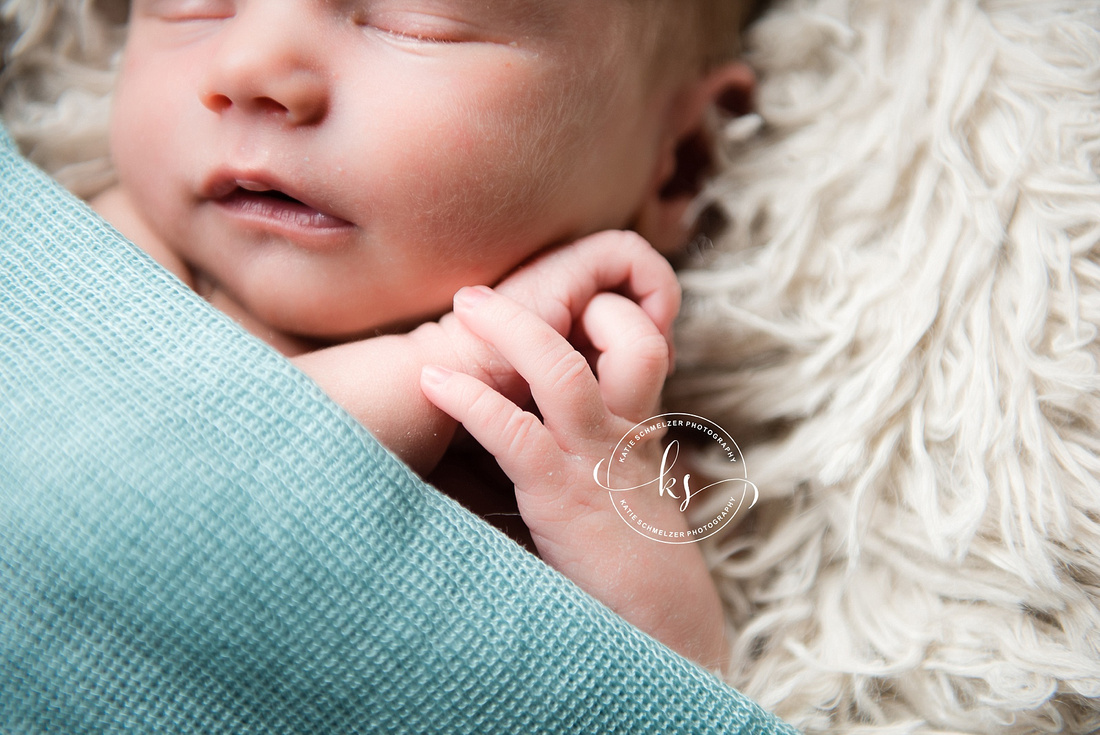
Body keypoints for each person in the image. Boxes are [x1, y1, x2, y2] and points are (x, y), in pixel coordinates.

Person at [85, 0, 759, 671]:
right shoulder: (105, 263)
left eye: (414, 20)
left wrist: (650, 589)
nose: (246, 68)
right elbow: (119, 504)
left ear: (682, 162)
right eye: (193, 5)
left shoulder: (612, 457)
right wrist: (443, 364)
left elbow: (682, 702)